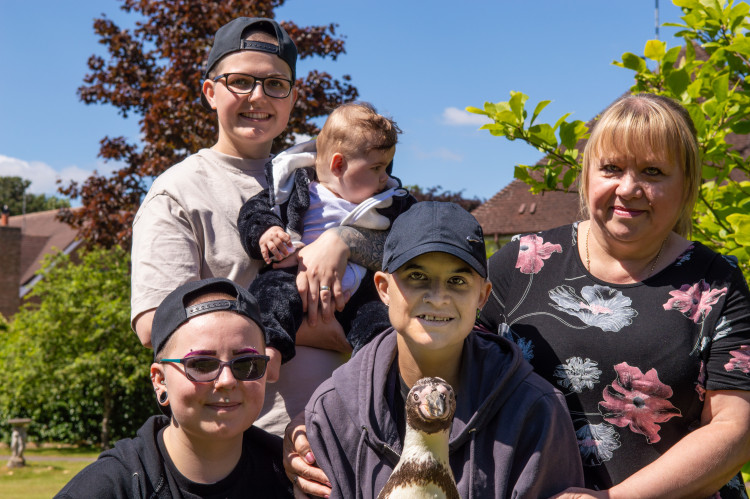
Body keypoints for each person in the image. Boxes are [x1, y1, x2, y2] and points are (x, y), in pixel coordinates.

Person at [478, 94, 750, 498]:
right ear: (588, 175)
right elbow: (447, 369)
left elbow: (734, 428)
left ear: (687, 183)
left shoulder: (716, 283)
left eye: (652, 172)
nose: (628, 188)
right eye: (611, 168)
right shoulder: (519, 265)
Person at [129, 17, 387, 436]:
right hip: (249, 441)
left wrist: (343, 240)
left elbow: (397, 239)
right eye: (241, 82)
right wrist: (329, 334)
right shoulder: (178, 191)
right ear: (211, 92)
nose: (258, 96)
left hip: (355, 432)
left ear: (292, 97)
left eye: (274, 84)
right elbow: (156, 323)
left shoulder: (326, 173)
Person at [287, 202, 584, 498]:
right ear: (383, 288)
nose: (438, 297)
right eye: (417, 277)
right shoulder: (332, 411)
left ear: (482, 296)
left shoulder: (535, 410)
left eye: (457, 281)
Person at [56, 278, 291, 498]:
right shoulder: (110, 487)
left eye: (247, 363)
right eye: (201, 364)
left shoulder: (294, 478)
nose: (227, 380)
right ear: (159, 381)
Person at [238, 101, 415, 366]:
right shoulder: (296, 189)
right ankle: (269, 351)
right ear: (338, 164)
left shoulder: (390, 203)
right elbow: (253, 212)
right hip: (294, 279)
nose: (384, 178)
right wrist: (268, 232)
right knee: (270, 296)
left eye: (387, 167)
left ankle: (379, 374)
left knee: (380, 325)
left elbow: (410, 240)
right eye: (377, 168)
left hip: (355, 296)